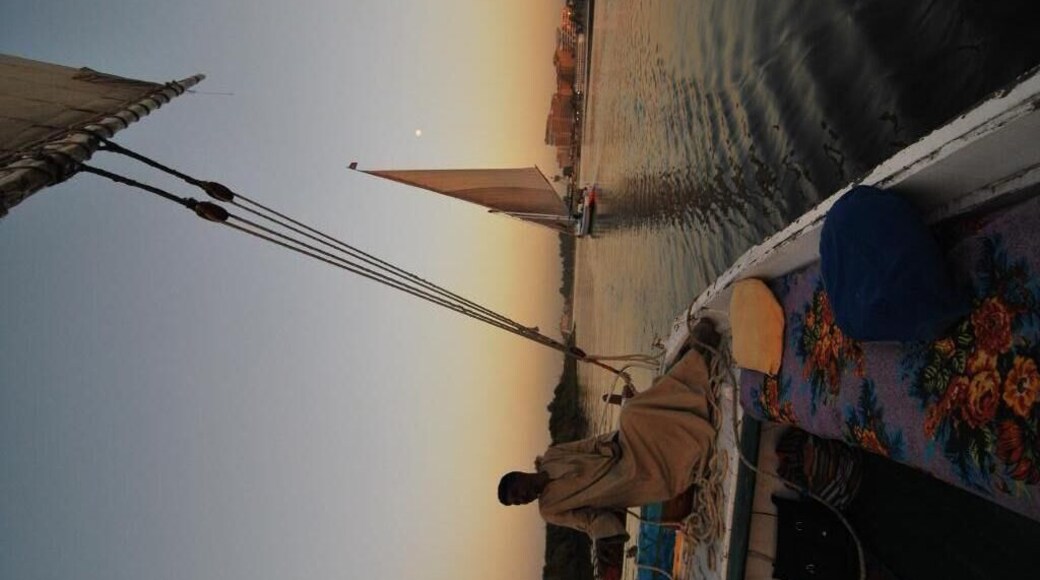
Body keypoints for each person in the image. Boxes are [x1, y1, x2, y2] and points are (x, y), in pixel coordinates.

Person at [497, 321, 719, 540]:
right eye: (518, 502)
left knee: (631, 412)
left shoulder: (552, 456)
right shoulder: (549, 509)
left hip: (619, 452)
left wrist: (612, 443)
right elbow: (589, 521)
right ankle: (694, 376)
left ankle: (695, 366)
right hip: (625, 483)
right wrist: (607, 538)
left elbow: (590, 445)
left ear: (520, 476)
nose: (522, 498)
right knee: (635, 416)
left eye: (517, 493)